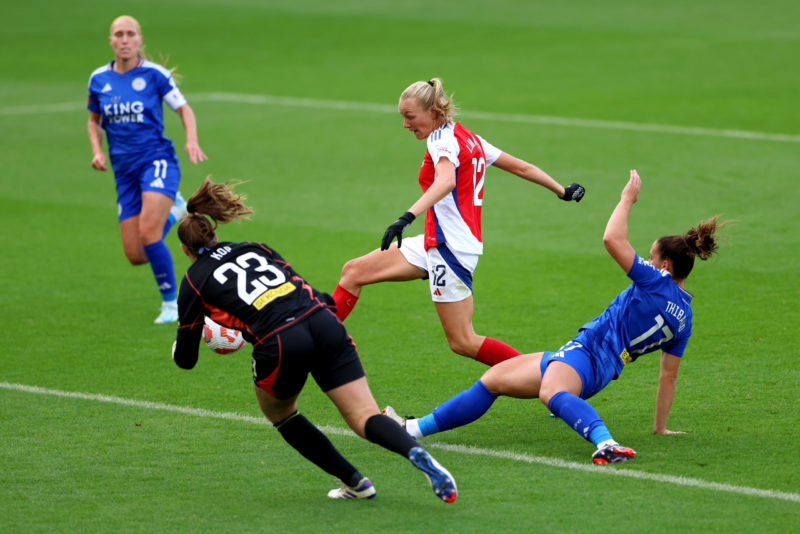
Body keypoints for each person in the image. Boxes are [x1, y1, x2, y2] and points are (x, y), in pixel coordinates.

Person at [384, 170, 727, 464]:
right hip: (602, 365)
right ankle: (412, 429)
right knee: (496, 379)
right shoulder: (685, 318)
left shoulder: (655, 281)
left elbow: (612, 239)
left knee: (551, 392)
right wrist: (660, 427)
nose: (647, 262)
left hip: (589, 354)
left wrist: (626, 200)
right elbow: (668, 377)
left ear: (665, 266)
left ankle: (607, 444)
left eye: (651, 257)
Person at [171, 177, 458, 502]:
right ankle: (416, 453)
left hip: (279, 340)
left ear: (186, 250)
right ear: (215, 231)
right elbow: (299, 284)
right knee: (365, 415)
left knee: (282, 414)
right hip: (322, 319)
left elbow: (186, 360)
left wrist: (192, 341)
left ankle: (356, 482)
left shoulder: (194, 280)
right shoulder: (254, 247)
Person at [332, 78, 585, 367]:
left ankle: (546, 376)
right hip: (436, 242)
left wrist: (406, 217)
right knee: (353, 272)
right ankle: (320, 342)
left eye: (409, 116)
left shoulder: (440, 139)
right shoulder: (469, 138)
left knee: (463, 341)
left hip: (449, 249)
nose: (405, 124)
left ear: (433, 112)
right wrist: (562, 190)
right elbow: (521, 167)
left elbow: (446, 181)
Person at [87, 15, 208, 324]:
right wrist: (97, 151)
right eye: (119, 34)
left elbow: (184, 109)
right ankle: (175, 211)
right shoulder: (99, 79)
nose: (124, 40)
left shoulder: (155, 75)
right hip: (123, 171)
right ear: (111, 41)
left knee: (148, 234)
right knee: (136, 254)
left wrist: (191, 140)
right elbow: (93, 120)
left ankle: (172, 305)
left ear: (140, 40)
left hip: (157, 161)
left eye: (130, 34)